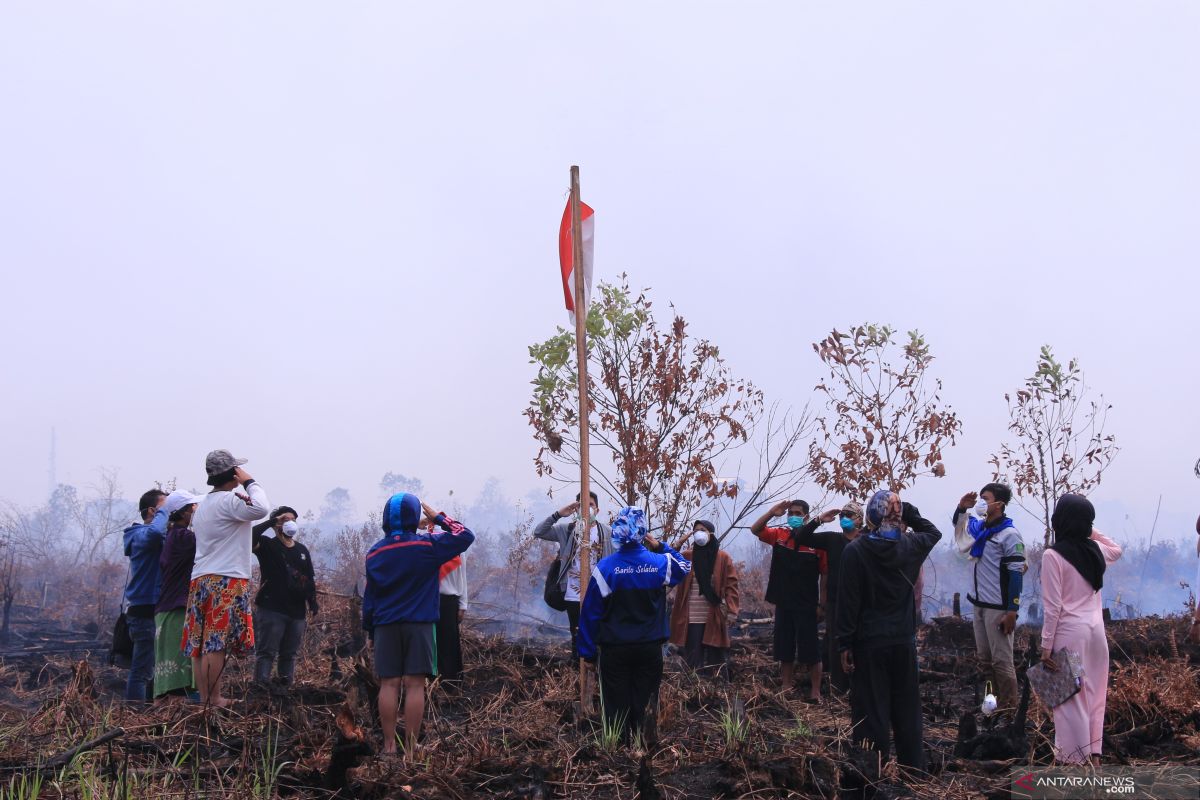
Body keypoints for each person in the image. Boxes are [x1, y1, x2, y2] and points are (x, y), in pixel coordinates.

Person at [837, 490, 942, 771]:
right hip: (903, 641)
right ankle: (913, 770)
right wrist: (906, 510)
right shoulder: (910, 546)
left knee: (872, 709)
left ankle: (872, 770)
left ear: (870, 515)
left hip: (868, 643)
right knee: (907, 707)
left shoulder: (856, 551)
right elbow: (933, 532)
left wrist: (843, 644)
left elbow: (848, 601)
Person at [363, 493, 475, 755]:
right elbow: (465, 535)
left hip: (385, 625)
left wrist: (369, 629)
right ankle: (412, 749)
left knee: (388, 684)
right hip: (420, 624)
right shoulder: (427, 546)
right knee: (415, 685)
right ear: (415, 517)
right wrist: (439, 518)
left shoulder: (375, 553)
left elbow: (370, 597)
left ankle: (389, 746)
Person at [578, 507, 690, 743]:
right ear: (642, 531)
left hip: (614, 650)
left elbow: (590, 614)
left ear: (617, 533)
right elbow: (684, 566)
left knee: (615, 704)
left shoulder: (605, 569)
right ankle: (642, 749)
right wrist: (660, 545)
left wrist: (587, 654)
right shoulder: (658, 564)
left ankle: (617, 754)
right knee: (645, 700)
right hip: (649, 649)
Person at [182, 450, 270, 709]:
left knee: (199, 644)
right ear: (232, 473)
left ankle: (206, 699)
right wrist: (250, 482)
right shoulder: (228, 502)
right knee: (215, 643)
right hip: (225, 579)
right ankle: (215, 698)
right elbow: (262, 508)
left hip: (200, 578)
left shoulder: (203, 507)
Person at [1040, 493, 1123, 764]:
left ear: (1059, 520)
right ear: (1087, 523)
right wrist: (1089, 529)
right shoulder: (1095, 550)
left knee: (1069, 701)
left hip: (1068, 634)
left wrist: (1045, 647)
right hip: (1097, 634)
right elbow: (1116, 548)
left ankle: (1074, 764)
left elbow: (1052, 608)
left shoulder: (1053, 556)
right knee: (1095, 695)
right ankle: (1094, 759)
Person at [952, 482, 1026, 711]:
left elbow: (1016, 574)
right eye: (981, 498)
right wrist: (962, 508)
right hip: (979, 605)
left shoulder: (1009, 535)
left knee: (1002, 662)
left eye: (986, 499)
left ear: (1000, 504)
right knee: (985, 661)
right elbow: (961, 529)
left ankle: (1010, 712)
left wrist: (1012, 610)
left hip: (998, 607)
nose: (982, 503)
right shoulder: (980, 530)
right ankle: (992, 707)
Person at [750, 499, 827, 700]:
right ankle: (786, 686)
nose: (793, 516)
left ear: (806, 517)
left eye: (798, 513)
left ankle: (815, 691)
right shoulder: (780, 536)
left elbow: (825, 575)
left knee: (810, 648)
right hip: (783, 601)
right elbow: (755, 529)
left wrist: (822, 605)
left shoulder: (817, 544)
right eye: (790, 513)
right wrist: (771, 513)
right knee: (784, 646)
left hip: (807, 604)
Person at [790, 500, 864, 693]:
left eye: (849, 515)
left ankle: (860, 688)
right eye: (842, 516)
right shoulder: (832, 539)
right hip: (836, 602)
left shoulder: (867, 541)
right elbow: (801, 538)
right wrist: (819, 520)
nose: (845, 519)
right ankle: (838, 689)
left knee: (861, 643)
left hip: (862, 603)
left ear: (860, 519)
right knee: (835, 644)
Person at [252, 507, 318, 686]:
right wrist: (271, 522)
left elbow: (309, 578)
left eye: (293, 519)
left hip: (296, 611)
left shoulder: (302, 550)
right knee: (266, 651)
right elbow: (250, 538)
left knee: (289, 654)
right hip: (271, 608)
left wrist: (312, 602)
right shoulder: (267, 545)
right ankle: (261, 687)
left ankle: (285, 688)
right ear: (276, 523)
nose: (290, 522)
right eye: (285, 519)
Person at [668, 520, 739, 676]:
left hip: (714, 615)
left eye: (703, 530)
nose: (699, 533)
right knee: (693, 659)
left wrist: (732, 610)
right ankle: (695, 692)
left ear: (711, 534)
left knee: (717, 659)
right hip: (691, 617)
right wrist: (679, 543)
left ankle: (719, 691)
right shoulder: (687, 556)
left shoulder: (722, 558)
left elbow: (731, 585)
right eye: (696, 530)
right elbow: (669, 562)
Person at [154, 490, 202, 699]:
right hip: (176, 610)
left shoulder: (174, 536)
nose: (196, 511)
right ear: (183, 514)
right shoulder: (184, 538)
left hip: (169, 608)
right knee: (176, 678)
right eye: (193, 508)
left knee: (172, 674)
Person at [123, 489, 168, 702]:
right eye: (165, 507)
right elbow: (155, 534)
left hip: (157, 608)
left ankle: (150, 715)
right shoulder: (138, 534)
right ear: (153, 510)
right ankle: (135, 717)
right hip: (143, 611)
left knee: (154, 670)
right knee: (141, 671)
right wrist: (163, 513)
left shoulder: (158, 535)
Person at [437, 548, 468, 683]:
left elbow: (463, 575)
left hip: (449, 601)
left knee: (449, 643)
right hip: (426, 599)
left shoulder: (457, 542)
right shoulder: (421, 538)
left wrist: (463, 604)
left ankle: (450, 683)